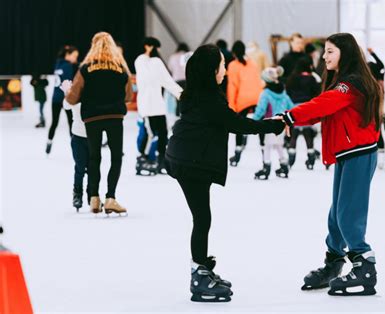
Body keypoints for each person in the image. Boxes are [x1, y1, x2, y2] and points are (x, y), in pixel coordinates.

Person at [165, 44, 284, 302]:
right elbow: (236, 124)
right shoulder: (208, 98)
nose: (225, 68)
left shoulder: (199, 93)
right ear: (211, 70)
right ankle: (199, 275)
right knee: (202, 217)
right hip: (189, 162)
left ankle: (202, 268)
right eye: (221, 64)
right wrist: (272, 126)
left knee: (202, 216)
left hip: (189, 158)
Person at [279, 33, 381, 296]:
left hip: (359, 152)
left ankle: (364, 265)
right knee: (336, 214)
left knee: (349, 214)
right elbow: (323, 112)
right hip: (349, 152)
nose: (324, 57)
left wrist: (291, 116)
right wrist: (292, 120)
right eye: (325, 52)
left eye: (330, 52)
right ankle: (334, 262)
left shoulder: (351, 84)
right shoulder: (342, 81)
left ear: (344, 54)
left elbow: (324, 104)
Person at [64, 32, 133, 215]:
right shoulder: (120, 68)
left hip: (92, 117)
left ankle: (94, 198)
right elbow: (128, 96)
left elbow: (72, 99)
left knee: (95, 157)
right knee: (116, 156)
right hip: (114, 116)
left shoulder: (86, 68)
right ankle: (111, 197)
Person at [135, 37, 183, 175]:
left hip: (158, 105)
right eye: (156, 47)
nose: (158, 51)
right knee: (150, 134)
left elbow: (167, 80)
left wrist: (181, 94)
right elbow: (150, 78)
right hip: (147, 106)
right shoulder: (141, 60)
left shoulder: (156, 62)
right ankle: (142, 159)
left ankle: (161, 160)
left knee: (163, 134)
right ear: (148, 46)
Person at [226, 40, 264, 166]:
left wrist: (231, 106)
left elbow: (232, 87)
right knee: (261, 126)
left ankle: (237, 155)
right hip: (258, 98)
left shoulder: (232, 65)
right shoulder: (252, 63)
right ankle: (265, 156)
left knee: (239, 127)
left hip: (243, 100)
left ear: (234, 53)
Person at [252, 66, 294, 179]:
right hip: (282, 124)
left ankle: (266, 167)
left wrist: (253, 121)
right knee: (279, 145)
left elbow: (261, 109)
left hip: (270, 123)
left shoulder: (266, 93)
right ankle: (284, 166)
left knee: (267, 146)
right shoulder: (283, 92)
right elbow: (291, 106)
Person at [285, 57, 322, 169]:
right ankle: (311, 158)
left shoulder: (292, 78)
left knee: (294, 134)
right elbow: (317, 93)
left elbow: (288, 92)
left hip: (295, 108)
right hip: (307, 108)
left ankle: (291, 158)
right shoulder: (311, 79)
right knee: (308, 134)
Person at [60, 81, 89, 211]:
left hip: (94, 137)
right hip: (78, 136)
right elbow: (66, 106)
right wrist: (68, 93)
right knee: (80, 168)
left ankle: (92, 194)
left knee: (93, 168)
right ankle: (77, 194)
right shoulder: (75, 96)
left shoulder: (94, 95)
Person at [46, 45, 78, 154]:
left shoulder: (57, 64)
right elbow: (69, 83)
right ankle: (75, 146)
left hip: (55, 98)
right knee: (71, 123)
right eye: (74, 56)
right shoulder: (68, 66)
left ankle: (49, 142)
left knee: (54, 122)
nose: (75, 59)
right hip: (66, 99)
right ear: (67, 55)